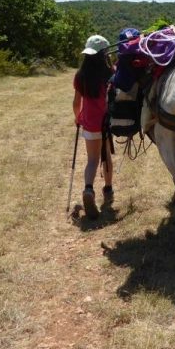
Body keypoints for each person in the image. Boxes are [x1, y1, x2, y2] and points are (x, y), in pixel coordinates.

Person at [72, 34, 114, 220]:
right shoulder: (110, 73)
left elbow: (76, 103)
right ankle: (108, 187)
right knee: (106, 156)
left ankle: (89, 189)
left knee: (92, 159)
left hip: (89, 122)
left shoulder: (81, 76)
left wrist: (77, 118)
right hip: (106, 122)